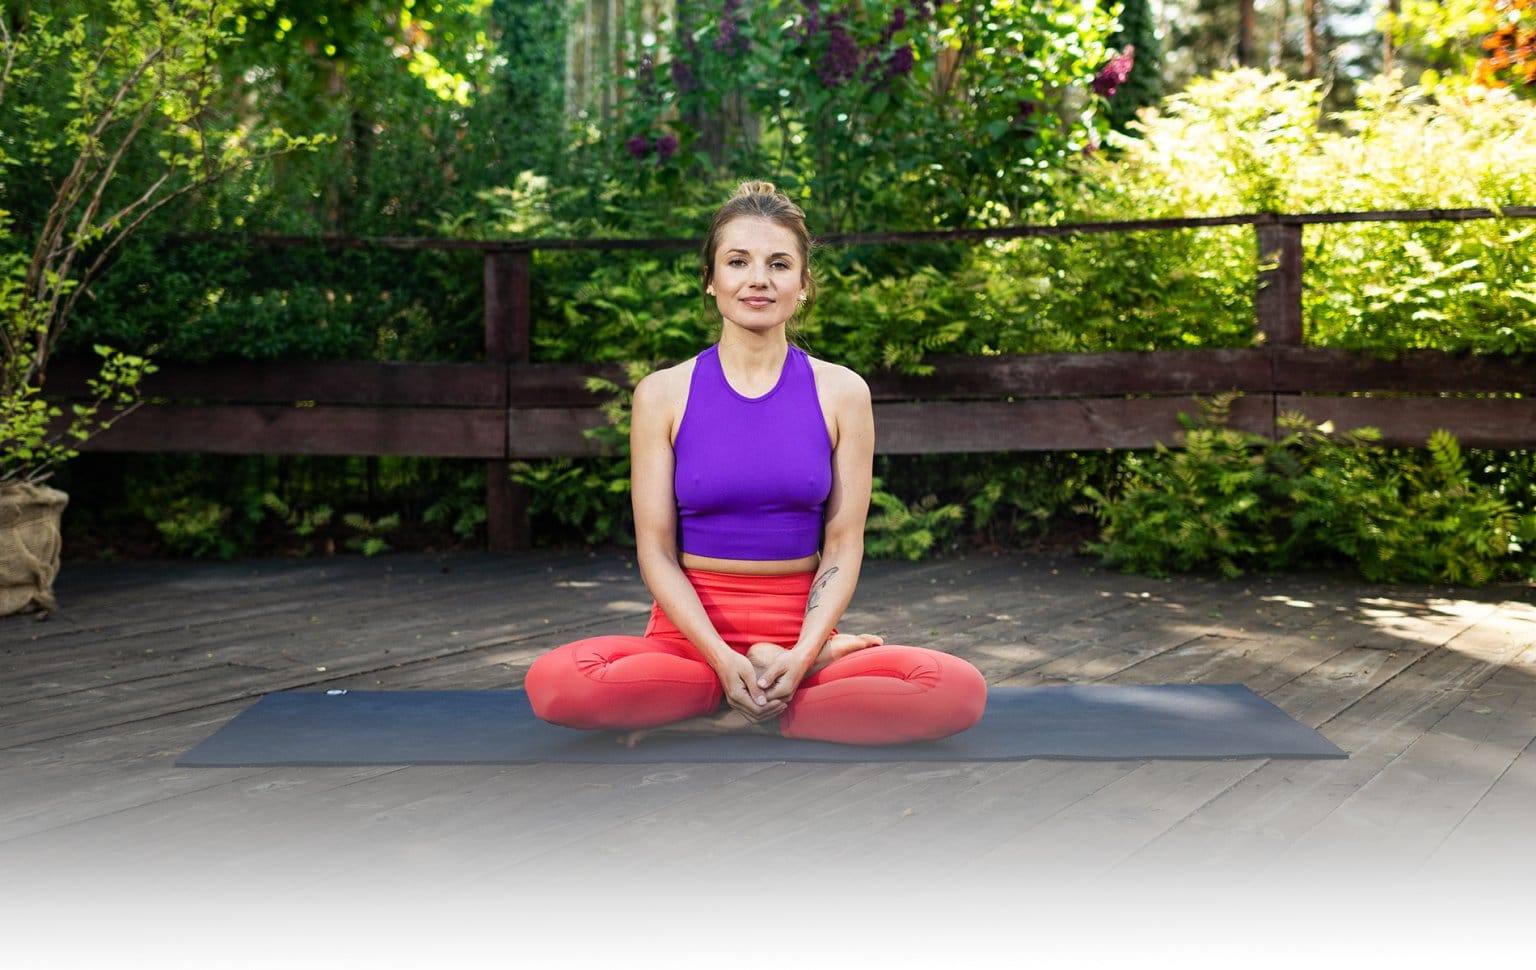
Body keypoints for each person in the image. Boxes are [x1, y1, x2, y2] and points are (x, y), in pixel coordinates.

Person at [524, 180, 987, 746]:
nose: (759, 279)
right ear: (710, 279)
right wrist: (722, 658)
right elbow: (656, 551)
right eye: (738, 261)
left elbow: (843, 545)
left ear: (803, 284)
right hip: (689, 642)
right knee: (558, 683)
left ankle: (732, 708)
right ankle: (756, 693)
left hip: (799, 635)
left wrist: (805, 652)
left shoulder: (843, 392)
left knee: (955, 690)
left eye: (779, 264)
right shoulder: (662, 394)